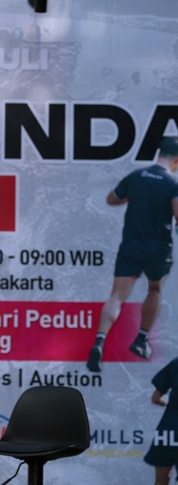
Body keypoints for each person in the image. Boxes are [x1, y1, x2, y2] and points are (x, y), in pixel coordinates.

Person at [87, 136, 178, 373]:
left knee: (116, 296)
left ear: (159, 154)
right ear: (176, 161)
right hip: (158, 250)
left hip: (130, 247)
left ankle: (99, 342)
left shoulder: (136, 177)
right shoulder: (173, 184)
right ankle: (141, 339)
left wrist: (133, 197)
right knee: (154, 289)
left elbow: (111, 199)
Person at [144, 357, 178, 485]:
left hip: (167, 432)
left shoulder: (176, 363)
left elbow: (155, 398)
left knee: (161, 482)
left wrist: (164, 403)